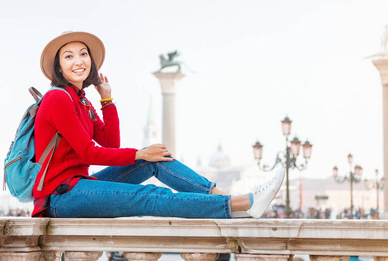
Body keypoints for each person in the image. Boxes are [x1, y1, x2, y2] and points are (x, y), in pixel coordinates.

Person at [32, 31, 286, 219]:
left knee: (155, 158)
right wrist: (140, 152)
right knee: (149, 195)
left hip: (80, 185)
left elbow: (111, 143)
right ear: (59, 67)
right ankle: (242, 203)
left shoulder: (82, 101)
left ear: (91, 62)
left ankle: (220, 197)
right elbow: (90, 152)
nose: (78, 61)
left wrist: (106, 98)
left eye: (83, 54)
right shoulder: (57, 98)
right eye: (69, 56)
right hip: (60, 197)